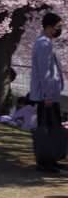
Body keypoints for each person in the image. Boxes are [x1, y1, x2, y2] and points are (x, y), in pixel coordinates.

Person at [30, 12, 65, 173]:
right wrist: (48, 95)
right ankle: (45, 162)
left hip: (49, 94)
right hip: (47, 96)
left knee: (52, 128)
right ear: (50, 26)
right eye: (58, 26)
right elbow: (45, 72)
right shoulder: (43, 44)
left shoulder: (45, 42)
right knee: (47, 129)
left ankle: (51, 159)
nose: (59, 30)